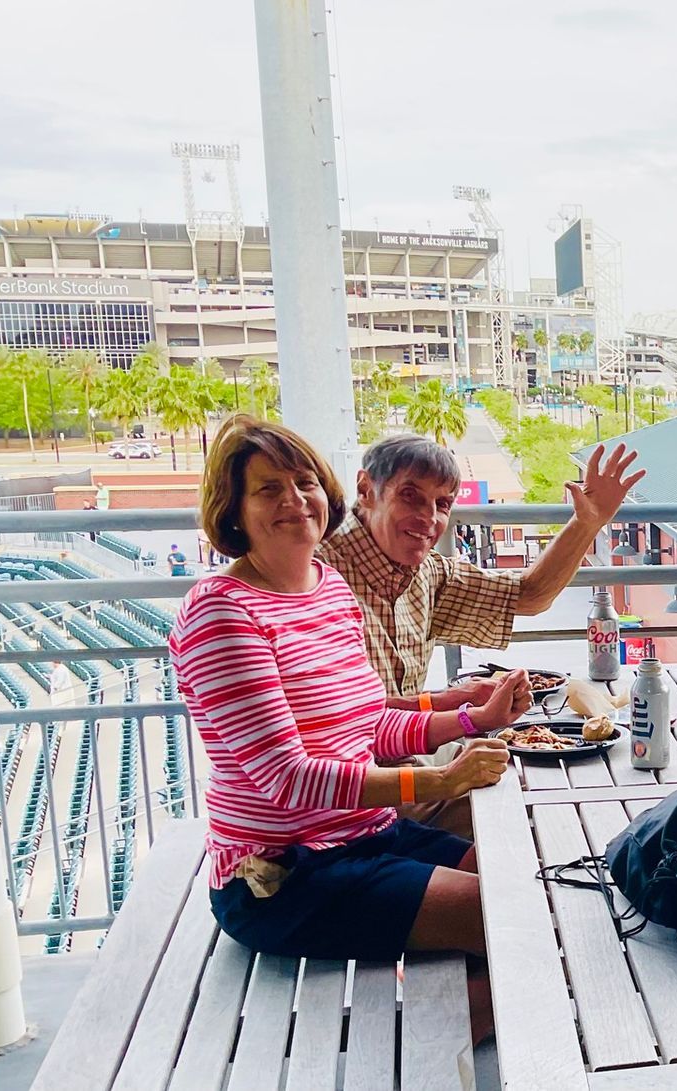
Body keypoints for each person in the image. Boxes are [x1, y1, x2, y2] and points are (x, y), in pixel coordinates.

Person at [168, 415, 535, 1042]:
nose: (293, 499)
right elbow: (287, 778)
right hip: (285, 876)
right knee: (515, 921)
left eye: (304, 481)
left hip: (367, 837)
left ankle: (436, 1021)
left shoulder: (328, 588)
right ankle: (404, 1051)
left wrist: (474, 718)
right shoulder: (221, 613)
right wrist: (440, 779)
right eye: (267, 488)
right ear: (232, 509)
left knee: (524, 883)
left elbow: (367, 725)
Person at [317, 434, 642, 833]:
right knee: (534, 807)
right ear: (366, 490)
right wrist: (461, 718)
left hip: (410, 753)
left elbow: (528, 596)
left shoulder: (427, 573)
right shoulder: (315, 576)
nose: (429, 518)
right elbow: (335, 723)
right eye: (410, 496)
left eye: (442, 504)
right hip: (352, 796)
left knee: (534, 763)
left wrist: (587, 522)